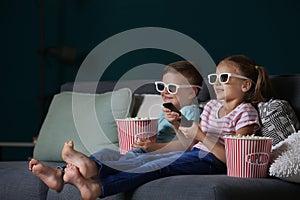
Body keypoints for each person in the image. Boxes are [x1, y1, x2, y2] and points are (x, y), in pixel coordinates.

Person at [31, 54, 272, 200]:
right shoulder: (209, 108)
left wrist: (199, 134)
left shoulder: (246, 112)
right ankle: (70, 172)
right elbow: (189, 143)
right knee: (139, 160)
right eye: (215, 78)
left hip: (213, 162)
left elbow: (235, 158)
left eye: (224, 78)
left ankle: (97, 186)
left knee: (156, 165)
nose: (217, 84)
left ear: (245, 86)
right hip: (195, 153)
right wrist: (180, 127)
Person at [29, 60, 203, 193]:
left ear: (191, 92)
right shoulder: (166, 111)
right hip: (147, 151)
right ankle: (61, 174)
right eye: (162, 86)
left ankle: (73, 173)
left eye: (171, 87)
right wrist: (144, 140)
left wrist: (152, 146)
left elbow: (185, 146)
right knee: (107, 153)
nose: (164, 91)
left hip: (163, 156)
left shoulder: (190, 111)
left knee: (124, 160)